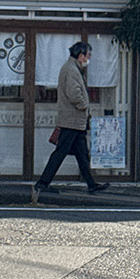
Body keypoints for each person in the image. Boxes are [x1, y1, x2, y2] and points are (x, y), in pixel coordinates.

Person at [33, 41, 110, 197]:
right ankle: (42, 183)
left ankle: (91, 184)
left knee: (82, 154)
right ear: (81, 56)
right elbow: (74, 94)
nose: (89, 59)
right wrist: (84, 105)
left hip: (75, 122)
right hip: (71, 120)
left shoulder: (72, 68)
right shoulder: (72, 70)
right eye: (88, 55)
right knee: (61, 152)